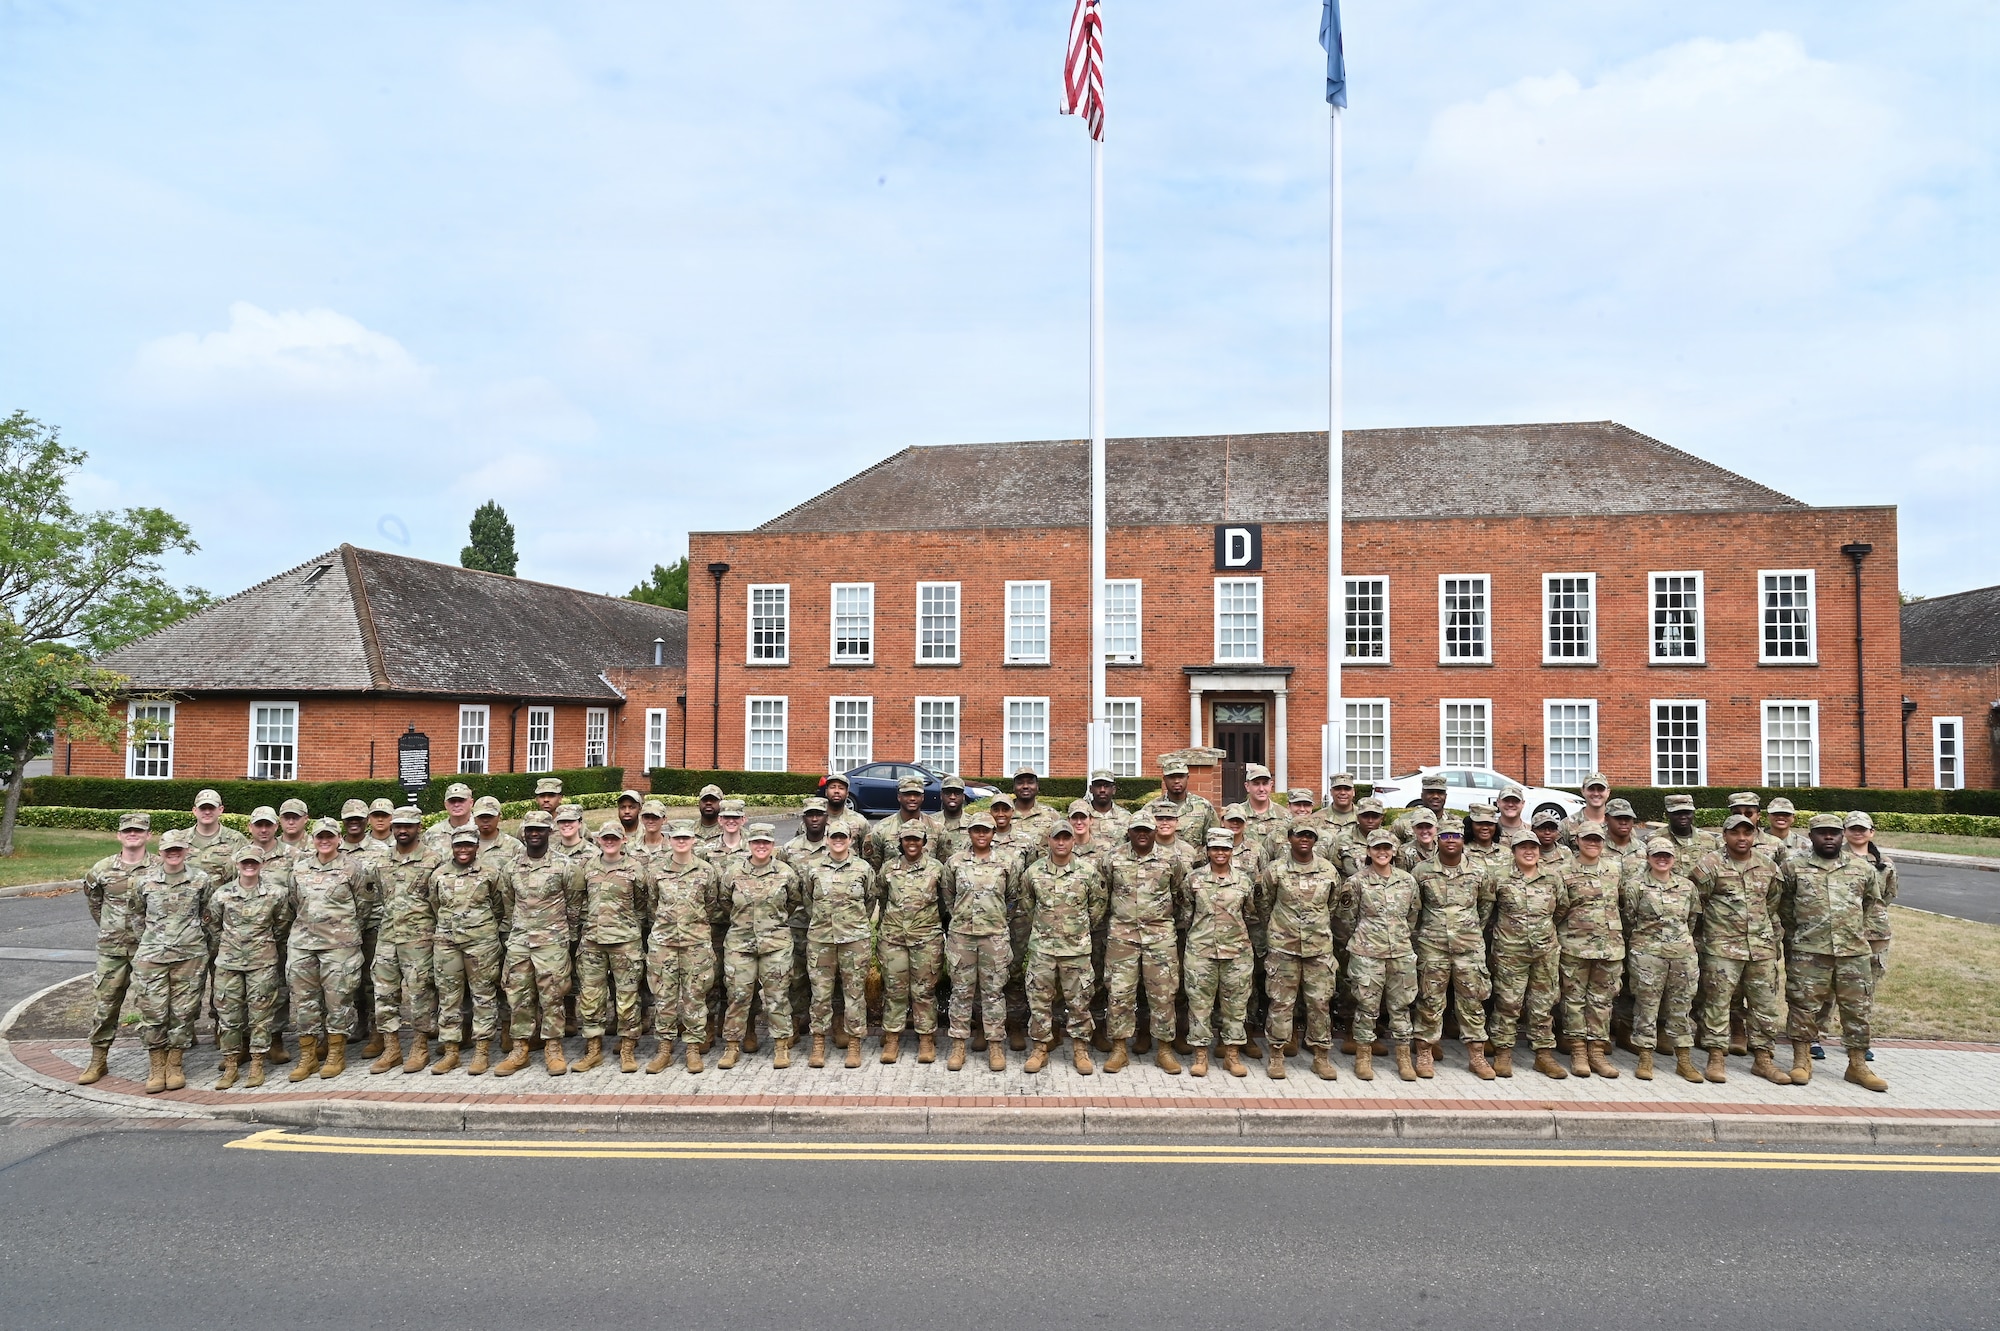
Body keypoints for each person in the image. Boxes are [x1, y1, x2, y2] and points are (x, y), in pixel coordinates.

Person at [1777, 814, 1887, 1091]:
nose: (1829, 837)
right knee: (1803, 1006)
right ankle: (1801, 1060)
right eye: (1822, 833)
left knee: (1857, 1010)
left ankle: (1857, 1064)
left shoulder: (1862, 868)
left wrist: (1866, 941)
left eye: (1834, 833)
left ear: (1842, 836)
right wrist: (1799, 938)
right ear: (1811, 836)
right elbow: (1784, 907)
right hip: (1809, 950)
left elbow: (1872, 906)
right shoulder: (1793, 866)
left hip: (1853, 952)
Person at [1690, 814, 1790, 1085]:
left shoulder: (1767, 866)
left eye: (1748, 832)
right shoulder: (1710, 865)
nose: (1742, 838)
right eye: (1736, 833)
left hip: (1760, 949)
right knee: (1717, 1004)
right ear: (1725, 835)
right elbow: (1696, 904)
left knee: (1765, 1005)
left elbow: (1772, 903)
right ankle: (1715, 1056)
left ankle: (1763, 1058)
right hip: (1722, 948)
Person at [287, 818, 383, 1080]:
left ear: (339, 838)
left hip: (340, 946)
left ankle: (335, 1054)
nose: (324, 841)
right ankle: (307, 1056)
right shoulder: (299, 868)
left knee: (338, 1001)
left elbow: (363, 906)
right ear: (313, 838)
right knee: (305, 1002)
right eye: (320, 836)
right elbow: (294, 901)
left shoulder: (353, 869)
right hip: (303, 944)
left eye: (329, 836)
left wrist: (345, 930)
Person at [494, 811, 583, 1078]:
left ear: (549, 832)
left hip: (552, 943)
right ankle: (520, 1048)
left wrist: (564, 936)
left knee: (553, 996)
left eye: (540, 829)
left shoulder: (565, 866)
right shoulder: (511, 868)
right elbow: (508, 905)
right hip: (520, 942)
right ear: (523, 832)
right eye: (530, 829)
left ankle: (553, 1047)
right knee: (518, 997)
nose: (534, 833)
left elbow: (575, 906)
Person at [77, 812, 159, 1085]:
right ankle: (98, 1060)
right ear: (119, 835)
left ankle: (156, 1066)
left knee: (151, 1007)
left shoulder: (158, 868)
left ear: (148, 835)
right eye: (127, 831)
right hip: (111, 951)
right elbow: (95, 904)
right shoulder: (101, 870)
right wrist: (110, 928)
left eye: (138, 831)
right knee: (105, 1006)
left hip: (148, 951)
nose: (132, 835)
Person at [1100, 811, 1184, 1074]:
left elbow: (1179, 894)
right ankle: (1119, 1048)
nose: (1142, 834)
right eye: (1137, 830)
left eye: (1147, 829)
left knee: (1163, 994)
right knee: (1119, 993)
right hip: (1122, 937)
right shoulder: (1113, 859)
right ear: (1130, 831)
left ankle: (1164, 1050)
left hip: (1159, 937)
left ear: (1154, 831)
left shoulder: (1171, 860)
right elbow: (1104, 895)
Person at [1411, 818, 1495, 1079]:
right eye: (1445, 835)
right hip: (1432, 946)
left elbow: (1485, 906)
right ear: (1437, 838)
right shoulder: (1422, 871)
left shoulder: (1478, 872)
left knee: (1473, 1001)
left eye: (1455, 836)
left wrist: (1467, 929)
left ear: (1462, 839)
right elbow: (1415, 909)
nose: (1450, 840)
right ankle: (1425, 1052)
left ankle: (1476, 1055)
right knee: (1429, 1000)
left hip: (1468, 946)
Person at [131, 829, 213, 1093]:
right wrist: (153, 941)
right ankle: (156, 1065)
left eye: (179, 848)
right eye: (168, 849)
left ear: (186, 850)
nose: (174, 853)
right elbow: (136, 917)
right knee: (153, 1012)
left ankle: (175, 1064)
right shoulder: (144, 881)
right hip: (152, 957)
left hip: (190, 957)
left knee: (184, 1012)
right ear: (161, 851)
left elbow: (208, 914)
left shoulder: (200, 879)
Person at [1258, 822, 1341, 1080]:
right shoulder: (1275, 870)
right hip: (1284, 947)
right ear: (1289, 838)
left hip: (1319, 949)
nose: (1304, 839)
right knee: (1281, 1004)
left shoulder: (1328, 870)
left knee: (1319, 1003)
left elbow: (1334, 904)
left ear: (1315, 839)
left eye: (1309, 835)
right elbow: (1264, 904)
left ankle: (1321, 1056)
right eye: (1299, 834)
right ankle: (1277, 1055)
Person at [205, 843, 292, 1089]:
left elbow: (282, 924)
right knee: (229, 1017)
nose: (250, 866)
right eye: (245, 862)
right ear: (237, 865)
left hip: (262, 962)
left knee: (260, 1017)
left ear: (261, 864)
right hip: (229, 963)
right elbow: (213, 925)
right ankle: (231, 1065)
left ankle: (256, 1064)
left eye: (254, 862)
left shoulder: (275, 894)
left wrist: (262, 943)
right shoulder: (222, 894)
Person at [1020, 824, 1105, 1074]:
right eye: (1057, 838)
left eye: (1066, 838)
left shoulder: (1088, 873)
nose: (1061, 843)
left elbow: (1097, 908)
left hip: (1076, 950)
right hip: (1043, 950)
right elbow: (1027, 905)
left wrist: (1076, 931)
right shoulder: (1033, 873)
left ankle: (1080, 1049)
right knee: (1039, 1002)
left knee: (1079, 1002)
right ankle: (1040, 1048)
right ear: (1049, 840)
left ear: (1073, 842)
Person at [1484, 831, 1567, 1080]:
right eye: (1523, 847)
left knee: (1543, 1004)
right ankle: (1503, 1052)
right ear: (1514, 850)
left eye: (1533, 847)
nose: (1529, 851)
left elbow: (1561, 908)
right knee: (1508, 1003)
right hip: (1510, 952)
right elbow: (1486, 911)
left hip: (1545, 951)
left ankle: (1543, 1055)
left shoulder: (1552, 878)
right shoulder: (1500, 878)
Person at [1340, 830, 1422, 1081]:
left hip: (1400, 952)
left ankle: (1404, 1058)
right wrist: (1362, 939)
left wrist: (1401, 937)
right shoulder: (1356, 882)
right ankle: (1363, 1056)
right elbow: (1345, 919)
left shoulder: (1407, 881)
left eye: (1387, 848)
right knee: (1366, 1006)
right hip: (1367, 953)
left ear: (1394, 850)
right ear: (1368, 851)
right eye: (1377, 848)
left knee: (1401, 1006)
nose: (1382, 852)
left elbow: (1413, 914)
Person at [643, 821, 725, 1074]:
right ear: (669, 839)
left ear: (693, 840)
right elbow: (652, 904)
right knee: (664, 998)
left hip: (695, 944)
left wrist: (693, 926)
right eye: (676, 837)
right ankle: (664, 1049)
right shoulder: (656, 871)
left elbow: (711, 904)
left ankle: (692, 1048)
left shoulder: (706, 871)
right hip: (664, 944)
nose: (681, 842)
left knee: (695, 998)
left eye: (686, 838)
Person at [1619, 838, 1703, 1082]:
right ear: (1648, 858)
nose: (1662, 859)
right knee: (1646, 1007)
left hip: (1682, 956)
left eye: (1667, 855)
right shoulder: (1636, 886)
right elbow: (1629, 920)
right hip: (1648, 956)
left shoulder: (1687, 887)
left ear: (1674, 858)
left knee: (1681, 1007)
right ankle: (1645, 1057)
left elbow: (1692, 920)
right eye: (1657, 855)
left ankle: (1684, 1060)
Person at [718, 823, 801, 1069]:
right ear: (749, 844)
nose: (761, 846)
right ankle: (732, 1046)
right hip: (740, 944)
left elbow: (793, 901)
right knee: (738, 996)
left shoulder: (786, 873)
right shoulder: (733, 873)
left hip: (775, 944)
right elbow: (724, 902)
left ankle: (781, 1047)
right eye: (756, 842)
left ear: (772, 844)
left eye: (766, 842)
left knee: (777, 996)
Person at [425, 827, 507, 1076]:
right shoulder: (439, 874)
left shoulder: (490, 873)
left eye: (468, 845)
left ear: (476, 847)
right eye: (459, 845)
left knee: (483, 996)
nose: (463, 850)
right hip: (447, 943)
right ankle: (451, 1051)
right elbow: (435, 905)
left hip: (481, 943)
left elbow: (500, 906)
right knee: (449, 997)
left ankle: (482, 1051)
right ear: (452, 847)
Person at [941, 809, 1017, 1072]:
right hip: (962, 937)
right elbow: (949, 897)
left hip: (993, 937)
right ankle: (958, 1045)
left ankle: (995, 1045)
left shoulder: (1007, 862)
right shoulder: (955, 862)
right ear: (970, 833)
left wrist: (995, 921)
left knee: (994, 994)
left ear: (994, 834)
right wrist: (962, 919)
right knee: (961, 993)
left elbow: (1013, 898)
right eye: (976, 830)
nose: (981, 834)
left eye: (986, 830)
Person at [573, 822, 652, 1074]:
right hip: (593, 943)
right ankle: (593, 1050)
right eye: (605, 838)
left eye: (614, 838)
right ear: (598, 840)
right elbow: (579, 901)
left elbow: (643, 904)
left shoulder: (635, 869)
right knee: (591, 997)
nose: (609, 841)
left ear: (623, 840)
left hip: (625, 943)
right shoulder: (587, 868)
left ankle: (628, 1049)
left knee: (628, 997)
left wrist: (629, 927)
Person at [1819, 811, 1897, 1061]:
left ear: (1871, 832)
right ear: (1844, 832)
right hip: (1838, 933)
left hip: (1873, 934)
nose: (1858, 832)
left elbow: (1886, 896)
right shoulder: (1835, 859)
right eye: (1852, 828)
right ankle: (1817, 1034)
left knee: (1863, 989)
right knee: (1827, 988)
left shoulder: (1884, 863)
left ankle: (1856, 1039)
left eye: (1863, 828)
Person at [370, 807, 441, 1075]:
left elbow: (438, 899)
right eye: (398, 825)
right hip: (388, 936)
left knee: (421, 993)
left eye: (408, 826)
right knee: (384, 993)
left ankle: (420, 1046)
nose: (402, 830)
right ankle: (391, 1048)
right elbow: (378, 897)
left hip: (419, 938)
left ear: (418, 827)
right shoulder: (382, 861)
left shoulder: (433, 860)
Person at [1181, 829, 1258, 1078]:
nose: (1220, 853)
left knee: (1235, 1006)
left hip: (1237, 953)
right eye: (1215, 848)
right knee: (1199, 1005)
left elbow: (1251, 913)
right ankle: (1200, 1055)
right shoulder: (1193, 879)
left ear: (1231, 850)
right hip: (1201, 951)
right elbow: (1185, 913)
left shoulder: (1245, 881)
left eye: (1225, 848)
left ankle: (1231, 1054)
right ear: (1207, 851)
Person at [804, 827, 878, 1068]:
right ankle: (818, 1043)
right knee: (820, 995)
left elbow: (870, 900)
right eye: (833, 837)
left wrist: (854, 925)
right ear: (827, 839)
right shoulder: (814, 868)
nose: (838, 841)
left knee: (854, 994)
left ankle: (855, 1043)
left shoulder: (863, 869)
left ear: (849, 840)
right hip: (821, 940)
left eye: (842, 837)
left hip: (854, 940)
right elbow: (807, 900)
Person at [1554, 827, 1624, 1078]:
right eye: (1588, 839)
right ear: (1577, 841)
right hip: (1575, 946)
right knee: (1573, 1002)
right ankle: (1578, 1052)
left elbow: (1625, 905)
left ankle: (1596, 1051)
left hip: (1610, 948)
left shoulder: (1615, 869)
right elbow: (1558, 909)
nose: (1593, 843)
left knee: (1602, 1002)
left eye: (1597, 839)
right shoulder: (1563, 872)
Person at [877, 826, 946, 1064]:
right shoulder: (889, 868)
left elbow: (946, 900)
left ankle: (926, 1038)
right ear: (901, 841)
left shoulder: (936, 868)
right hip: (893, 938)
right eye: (907, 839)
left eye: (916, 838)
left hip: (926, 938)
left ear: (924, 840)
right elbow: (882, 897)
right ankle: (892, 1037)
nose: (912, 843)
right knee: (894, 989)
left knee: (924, 990)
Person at [865, 775, 940, 870]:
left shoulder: (937, 828)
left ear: (922, 797)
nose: (912, 798)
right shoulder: (881, 829)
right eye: (907, 794)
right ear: (899, 797)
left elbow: (943, 867)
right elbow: (873, 869)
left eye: (916, 794)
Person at [1156, 755, 1218, 851]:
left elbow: (1214, 840)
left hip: (1196, 863)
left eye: (1181, 777)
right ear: (1164, 779)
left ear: (1187, 778)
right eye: (1171, 777)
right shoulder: (1151, 808)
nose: (1176, 781)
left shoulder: (1203, 807)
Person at [1238, 763, 1288, 856]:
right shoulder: (1238, 814)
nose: (1261, 789)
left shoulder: (1284, 815)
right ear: (1247, 786)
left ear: (1271, 785)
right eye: (1256, 784)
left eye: (1265, 784)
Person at [1390, 773, 1450, 843]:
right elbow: (1391, 850)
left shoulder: (1454, 822)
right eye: (1430, 792)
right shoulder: (1403, 822)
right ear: (1422, 796)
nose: (1435, 796)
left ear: (1445, 796)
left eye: (1440, 793)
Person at [423, 783, 478, 855]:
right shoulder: (431, 834)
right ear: (445, 804)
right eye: (452, 801)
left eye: (461, 800)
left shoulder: (481, 830)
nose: (456, 805)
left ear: (471, 803)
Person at [1559, 774, 1612, 846]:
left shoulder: (1617, 824)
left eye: (1600, 789)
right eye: (1591, 789)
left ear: (1608, 792)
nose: (1596, 793)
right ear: (1583, 791)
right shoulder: (1567, 825)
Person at [471, 796, 524, 867]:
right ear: (474, 817)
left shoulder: (514, 846)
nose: (485, 820)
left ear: (499, 816)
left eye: (490, 816)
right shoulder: (464, 845)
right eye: (481, 817)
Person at [1661, 792, 1717, 858]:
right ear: (1667, 815)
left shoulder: (1709, 839)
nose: (1683, 817)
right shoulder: (1654, 838)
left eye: (1687, 813)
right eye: (1677, 813)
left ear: (1693, 814)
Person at [819, 774, 871, 843]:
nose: (836, 791)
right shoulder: (814, 820)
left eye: (841, 788)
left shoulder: (860, 822)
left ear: (847, 793)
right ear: (826, 792)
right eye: (832, 787)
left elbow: (867, 851)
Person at [1085, 769, 1129, 846]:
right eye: (1098, 785)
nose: (1102, 790)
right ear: (1091, 789)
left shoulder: (1126, 817)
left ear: (1114, 790)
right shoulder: (1081, 817)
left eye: (1106, 786)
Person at [1461, 804, 1508, 875]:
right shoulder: (1461, 852)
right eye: (1479, 823)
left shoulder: (1508, 854)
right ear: (1471, 825)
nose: (1485, 827)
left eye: (1489, 824)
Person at [1317, 774, 1361, 845]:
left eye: (1347, 789)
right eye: (1338, 789)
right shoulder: (1317, 818)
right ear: (1331, 792)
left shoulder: (1364, 817)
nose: (1343, 793)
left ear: (1353, 792)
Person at [629, 799, 673, 866]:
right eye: (647, 817)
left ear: (664, 820)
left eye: (655, 817)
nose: (650, 821)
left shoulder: (672, 848)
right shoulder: (630, 847)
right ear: (641, 819)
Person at [692, 784, 726, 849]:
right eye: (705, 799)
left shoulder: (730, 830)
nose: (708, 803)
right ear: (699, 803)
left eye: (713, 799)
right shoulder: (689, 830)